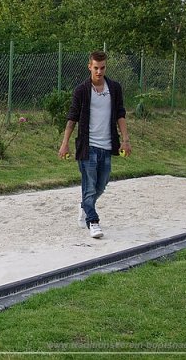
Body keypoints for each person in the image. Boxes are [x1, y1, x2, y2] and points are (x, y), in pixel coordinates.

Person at [58, 51, 132, 239]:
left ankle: (85, 205)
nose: (99, 71)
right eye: (96, 68)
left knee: (101, 185)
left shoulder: (114, 88)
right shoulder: (82, 90)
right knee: (90, 186)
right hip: (88, 146)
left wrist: (125, 140)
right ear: (89, 67)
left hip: (107, 146)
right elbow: (72, 118)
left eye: (102, 68)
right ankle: (93, 221)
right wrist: (65, 143)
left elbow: (120, 114)